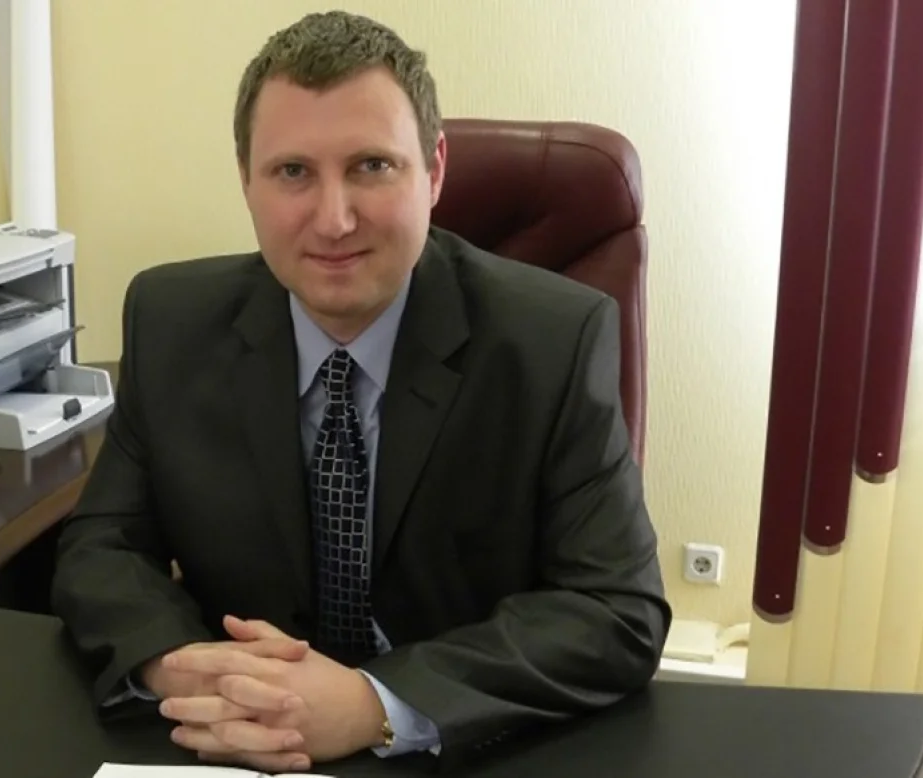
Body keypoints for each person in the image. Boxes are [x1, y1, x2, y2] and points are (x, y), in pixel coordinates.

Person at [51, 10, 671, 774]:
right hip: (242, 744)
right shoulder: (171, 322)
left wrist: (375, 703)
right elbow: (104, 545)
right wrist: (182, 666)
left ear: (434, 171)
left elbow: (616, 610)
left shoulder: (552, 341)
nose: (334, 219)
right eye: (293, 172)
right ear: (246, 179)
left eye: (372, 166)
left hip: (461, 746)